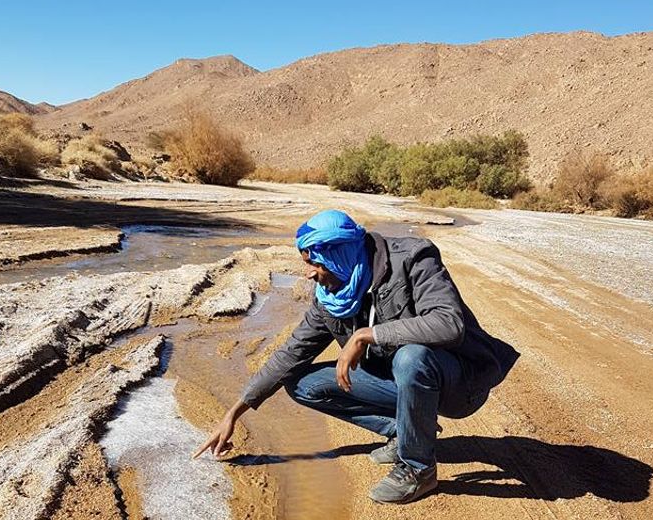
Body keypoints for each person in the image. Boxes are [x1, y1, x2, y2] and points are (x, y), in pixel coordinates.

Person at [194, 209, 519, 504]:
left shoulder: (412, 258)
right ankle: (404, 431)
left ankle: (419, 469)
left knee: (411, 357)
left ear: (341, 254)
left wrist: (367, 335)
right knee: (300, 383)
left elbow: (448, 323)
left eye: (315, 263)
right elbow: (290, 354)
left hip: (458, 383)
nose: (310, 274)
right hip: (400, 380)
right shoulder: (331, 297)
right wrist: (234, 413)